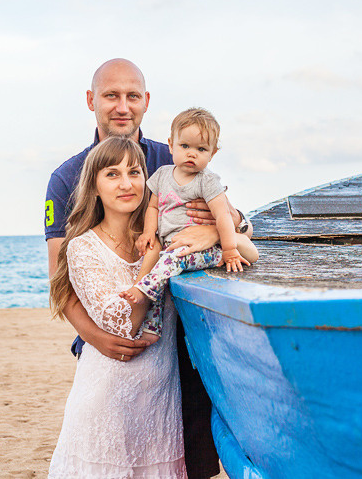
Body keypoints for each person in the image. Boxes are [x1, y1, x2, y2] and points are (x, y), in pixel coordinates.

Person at [45, 58, 252, 478]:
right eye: (111, 95)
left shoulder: (175, 156)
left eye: (132, 96)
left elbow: (233, 221)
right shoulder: (66, 177)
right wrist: (97, 337)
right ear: (91, 100)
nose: (122, 106)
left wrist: (223, 226)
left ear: (146, 101)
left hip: (181, 341)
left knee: (189, 460)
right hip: (112, 338)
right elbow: (60, 275)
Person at [48, 136, 185, 477]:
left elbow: (236, 237)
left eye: (134, 172)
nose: (126, 184)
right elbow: (122, 325)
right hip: (105, 406)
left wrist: (212, 235)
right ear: (94, 187)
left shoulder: (165, 234)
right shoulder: (83, 247)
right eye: (112, 174)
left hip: (159, 407)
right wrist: (152, 261)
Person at [121, 108, 259, 342]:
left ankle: (144, 288)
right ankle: (152, 329)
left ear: (212, 154)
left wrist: (229, 249)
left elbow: (223, 216)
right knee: (162, 278)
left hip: (200, 248)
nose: (191, 154)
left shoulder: (207, 181)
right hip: (172, 246)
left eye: (201, 149)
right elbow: (153, 207)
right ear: (171, 145)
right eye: (184, 146)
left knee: (169, 262)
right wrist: (148, 232)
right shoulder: (162, 175)